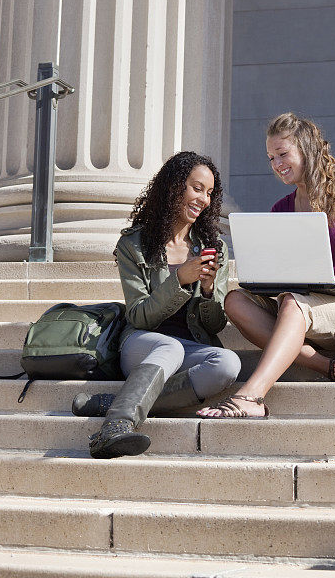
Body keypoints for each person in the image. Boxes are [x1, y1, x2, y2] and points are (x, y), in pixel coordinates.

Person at [197, 112, 335, 419]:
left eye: (282, 154)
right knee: (235, 300)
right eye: (271, 158)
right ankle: (327, 366)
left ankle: (251, 396)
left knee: (293, 303)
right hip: (303, 301)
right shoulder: (281, 208)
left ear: (306, 149)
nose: (277, 164)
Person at [75, 151, 241, 458]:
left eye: (209, 193)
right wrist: (179, 281)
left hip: (191, 346)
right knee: (170, 348)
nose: (203, 199)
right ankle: (115, 426)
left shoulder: (214, 246)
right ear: (174, 186)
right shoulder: (134, 244)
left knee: (228, 364)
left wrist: (206, 290)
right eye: (196, 188)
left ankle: (114, 402)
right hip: (141, 344)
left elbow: (215, 325)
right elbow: (138, 316)